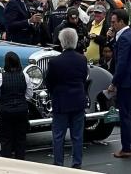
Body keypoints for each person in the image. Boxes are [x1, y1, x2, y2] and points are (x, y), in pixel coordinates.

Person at [47, 27, 88, 169]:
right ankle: (77, 164)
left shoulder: (54, 62)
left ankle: (58, 164)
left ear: (61, 42)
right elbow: (83, 78)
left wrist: (54, 93)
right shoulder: (82, 59)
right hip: (78, 99)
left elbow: (49, 82)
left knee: (58, 136)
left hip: (61, 101)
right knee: (77, 136)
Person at [108, 8, 131, 159]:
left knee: (125, 115)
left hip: (126, 82)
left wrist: (114, 82)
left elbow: (121, 63)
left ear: (121, 22)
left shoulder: (123, 38)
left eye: (114, 22)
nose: (112, 25)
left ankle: (126, 148)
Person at [0, 51, 33, 160]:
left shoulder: (0, 77)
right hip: (21, 111)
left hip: (5, 111)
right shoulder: (25, 76)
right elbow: (29, 95)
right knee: (20, 139)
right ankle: (20, 163)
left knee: (6, 140)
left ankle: (7, 164)